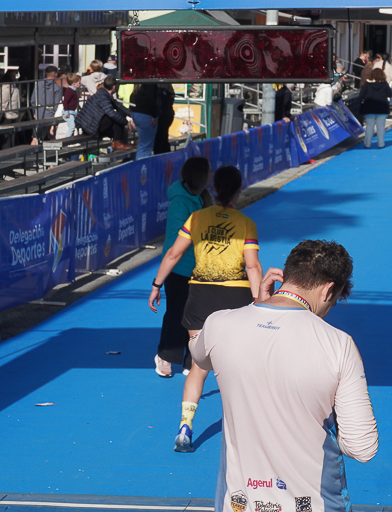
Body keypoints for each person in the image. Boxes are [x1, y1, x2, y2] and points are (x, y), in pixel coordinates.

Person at [190, 240, 378, 512]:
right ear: (328, 290)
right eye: (335, 301)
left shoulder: (219, 323)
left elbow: (199, 355)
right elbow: (362, 447)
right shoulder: (339, 344)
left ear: (287, 276)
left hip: (238, 503)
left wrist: (258, 306)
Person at [147, 166, 262, 452]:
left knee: (198, 367)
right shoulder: (246, 223)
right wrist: (259, 301)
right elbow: (252, 266)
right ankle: (246, 429)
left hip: (200, 297)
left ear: (214, 187)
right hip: (235, 298)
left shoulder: (197, 218)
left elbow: (173, 253)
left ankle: (185, 427)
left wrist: (157, 284)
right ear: (239, 190)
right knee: (239, 367)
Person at [153, 157, 213, 377]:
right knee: (176, 314)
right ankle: (165, 355)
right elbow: (177, 244)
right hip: (179, 270)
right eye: (209, 171)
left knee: (199, 315)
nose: (212, 174)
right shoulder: (180, 202)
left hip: (202, 269)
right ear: (200, 176)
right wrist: (157, 283)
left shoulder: (205, 198)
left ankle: (192, 358)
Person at [76, 75, 134, 150]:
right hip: (90, 127)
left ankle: (120, 144)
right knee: (117, 116)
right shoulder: (103, 97)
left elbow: (119, 106)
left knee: (120, 115)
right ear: (114, 87)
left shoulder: (103, 94)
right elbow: (111, 114)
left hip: (89, 125)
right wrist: (126, 122)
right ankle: (117, 143)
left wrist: (134, 116)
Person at [130, 83, 166, 160]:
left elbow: (132, 98)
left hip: (137, 113)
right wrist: (154, 115)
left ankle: (139, 163)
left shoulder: (137, 85)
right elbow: (151, 99)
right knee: (146, 146)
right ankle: (141, 165)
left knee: (142, 144)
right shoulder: (150, 84)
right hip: (146, 114)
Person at [358, 69, 391, 148]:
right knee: (381, 126)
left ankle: (367, 144)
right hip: (382, 107)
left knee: (369, 126)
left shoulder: (367, 84)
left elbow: (361, 96)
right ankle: (381, 143)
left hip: (369, 108)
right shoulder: (384, 84)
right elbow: (390, 94)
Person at [32, 65, 63, 140]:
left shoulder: (38, 84)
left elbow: (33, 100)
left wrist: (35, 112)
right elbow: (57, 104)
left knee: (36, 138)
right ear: (54, 74)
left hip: (39, 114)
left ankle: (33, 148)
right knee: (50, 139)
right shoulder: (57, 88)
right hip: (50, 115)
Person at [152, 83, 176, 154]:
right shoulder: (166, 84)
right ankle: (166, 155)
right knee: (163, 138)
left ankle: (161, 156)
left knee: (159, 140)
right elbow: (171, 96)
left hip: (162, 114)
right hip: (167, 113)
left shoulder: (157, 86)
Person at [59, 73, 81, 138]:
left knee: (73, 126)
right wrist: (66, 111)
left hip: (72, 112)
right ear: (74, 84)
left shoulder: (73, 91)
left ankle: (71, 139)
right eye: (79, 83)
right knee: (72, 127)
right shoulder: (69, 91)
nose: (80, 84)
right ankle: (67, 139)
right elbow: (65, 101)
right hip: (69, 112)